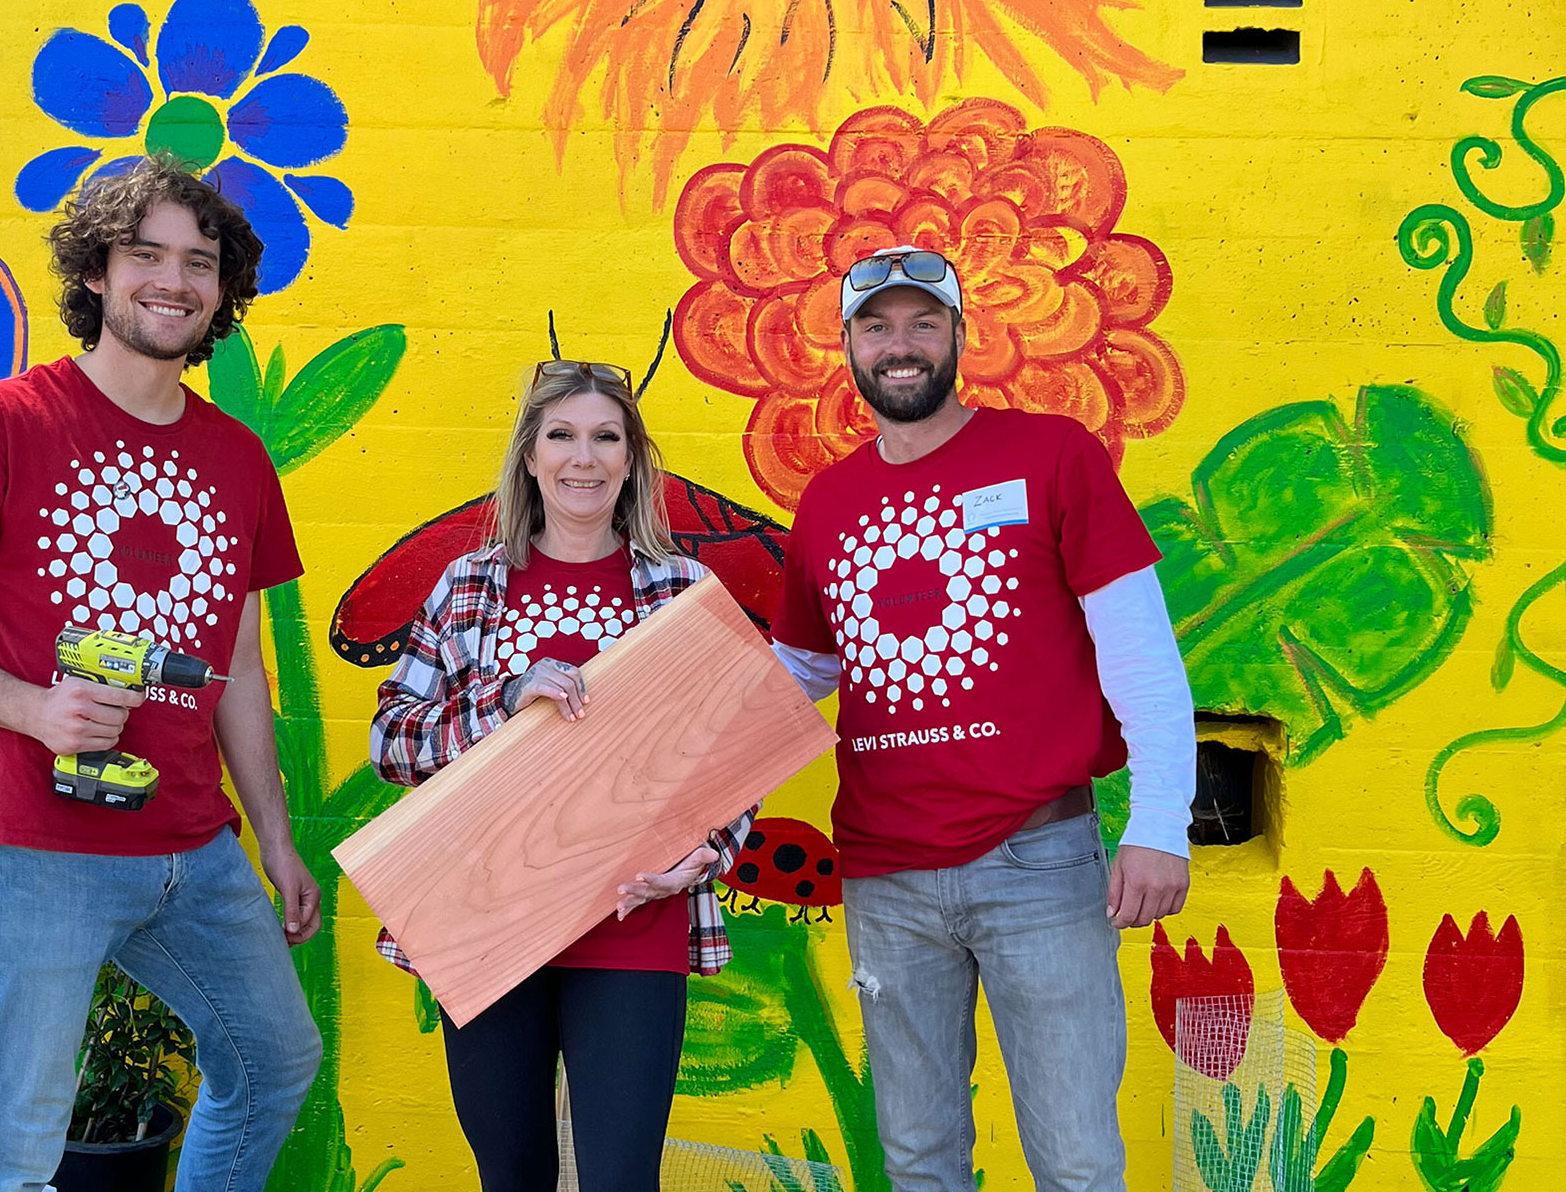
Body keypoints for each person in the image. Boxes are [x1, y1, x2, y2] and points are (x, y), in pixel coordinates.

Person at [0, 156, 322, 1192]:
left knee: (273, 1060)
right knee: (11, 1143)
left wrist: (278, 838)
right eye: (146, 254)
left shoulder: (238, 458)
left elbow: (239, 667)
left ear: (224, 290)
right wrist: (35, 709)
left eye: (199, 263)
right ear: (98, 275)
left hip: (193, 848)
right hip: (34, 846)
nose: (174, 280)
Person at [771, 246, 1195, 1192]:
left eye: (924, 323)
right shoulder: (829, 502)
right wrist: (645, 747)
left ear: (961, 335)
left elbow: (1140, 652)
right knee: (920, 1161)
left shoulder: (1050, 454)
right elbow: (796, 673)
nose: (902, 346)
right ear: (846, 348)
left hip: (1039, 864)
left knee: (1077, 1159)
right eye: (877, 327)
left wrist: (1161, 821)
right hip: (886, 876)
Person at [369, 359, 755, 1192]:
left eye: (606, 438)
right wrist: (507, 701)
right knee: (512, 1174)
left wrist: (706, 854)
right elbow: (391, 741)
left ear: (632, 458)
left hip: (632, 922)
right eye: (563, 436)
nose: (585, 458)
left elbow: (735, 759)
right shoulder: (469, 584)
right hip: (488, 923)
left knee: (621, 1178)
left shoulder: (683, 590)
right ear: (532, 456)